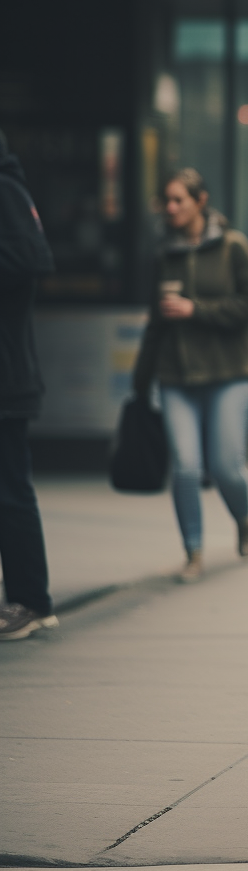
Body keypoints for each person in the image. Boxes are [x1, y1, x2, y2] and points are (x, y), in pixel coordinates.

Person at [132, 169, 248, 582]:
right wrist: (141, 381)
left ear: (200, 201)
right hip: (177, 376)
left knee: (225, 466)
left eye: (178, 200)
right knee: (186, 467)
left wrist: (197, 310)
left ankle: (243, 520)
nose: (170, 208)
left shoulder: (232, 246)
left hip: (230, 372)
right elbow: (156, 321)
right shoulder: (164, 253)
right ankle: (193, 552)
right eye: (166, 201)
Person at [0, 130, 59, 640]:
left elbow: (33, 259)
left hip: (6, 375)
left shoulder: (6, 189)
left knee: (10, 489)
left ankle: (31, 601)